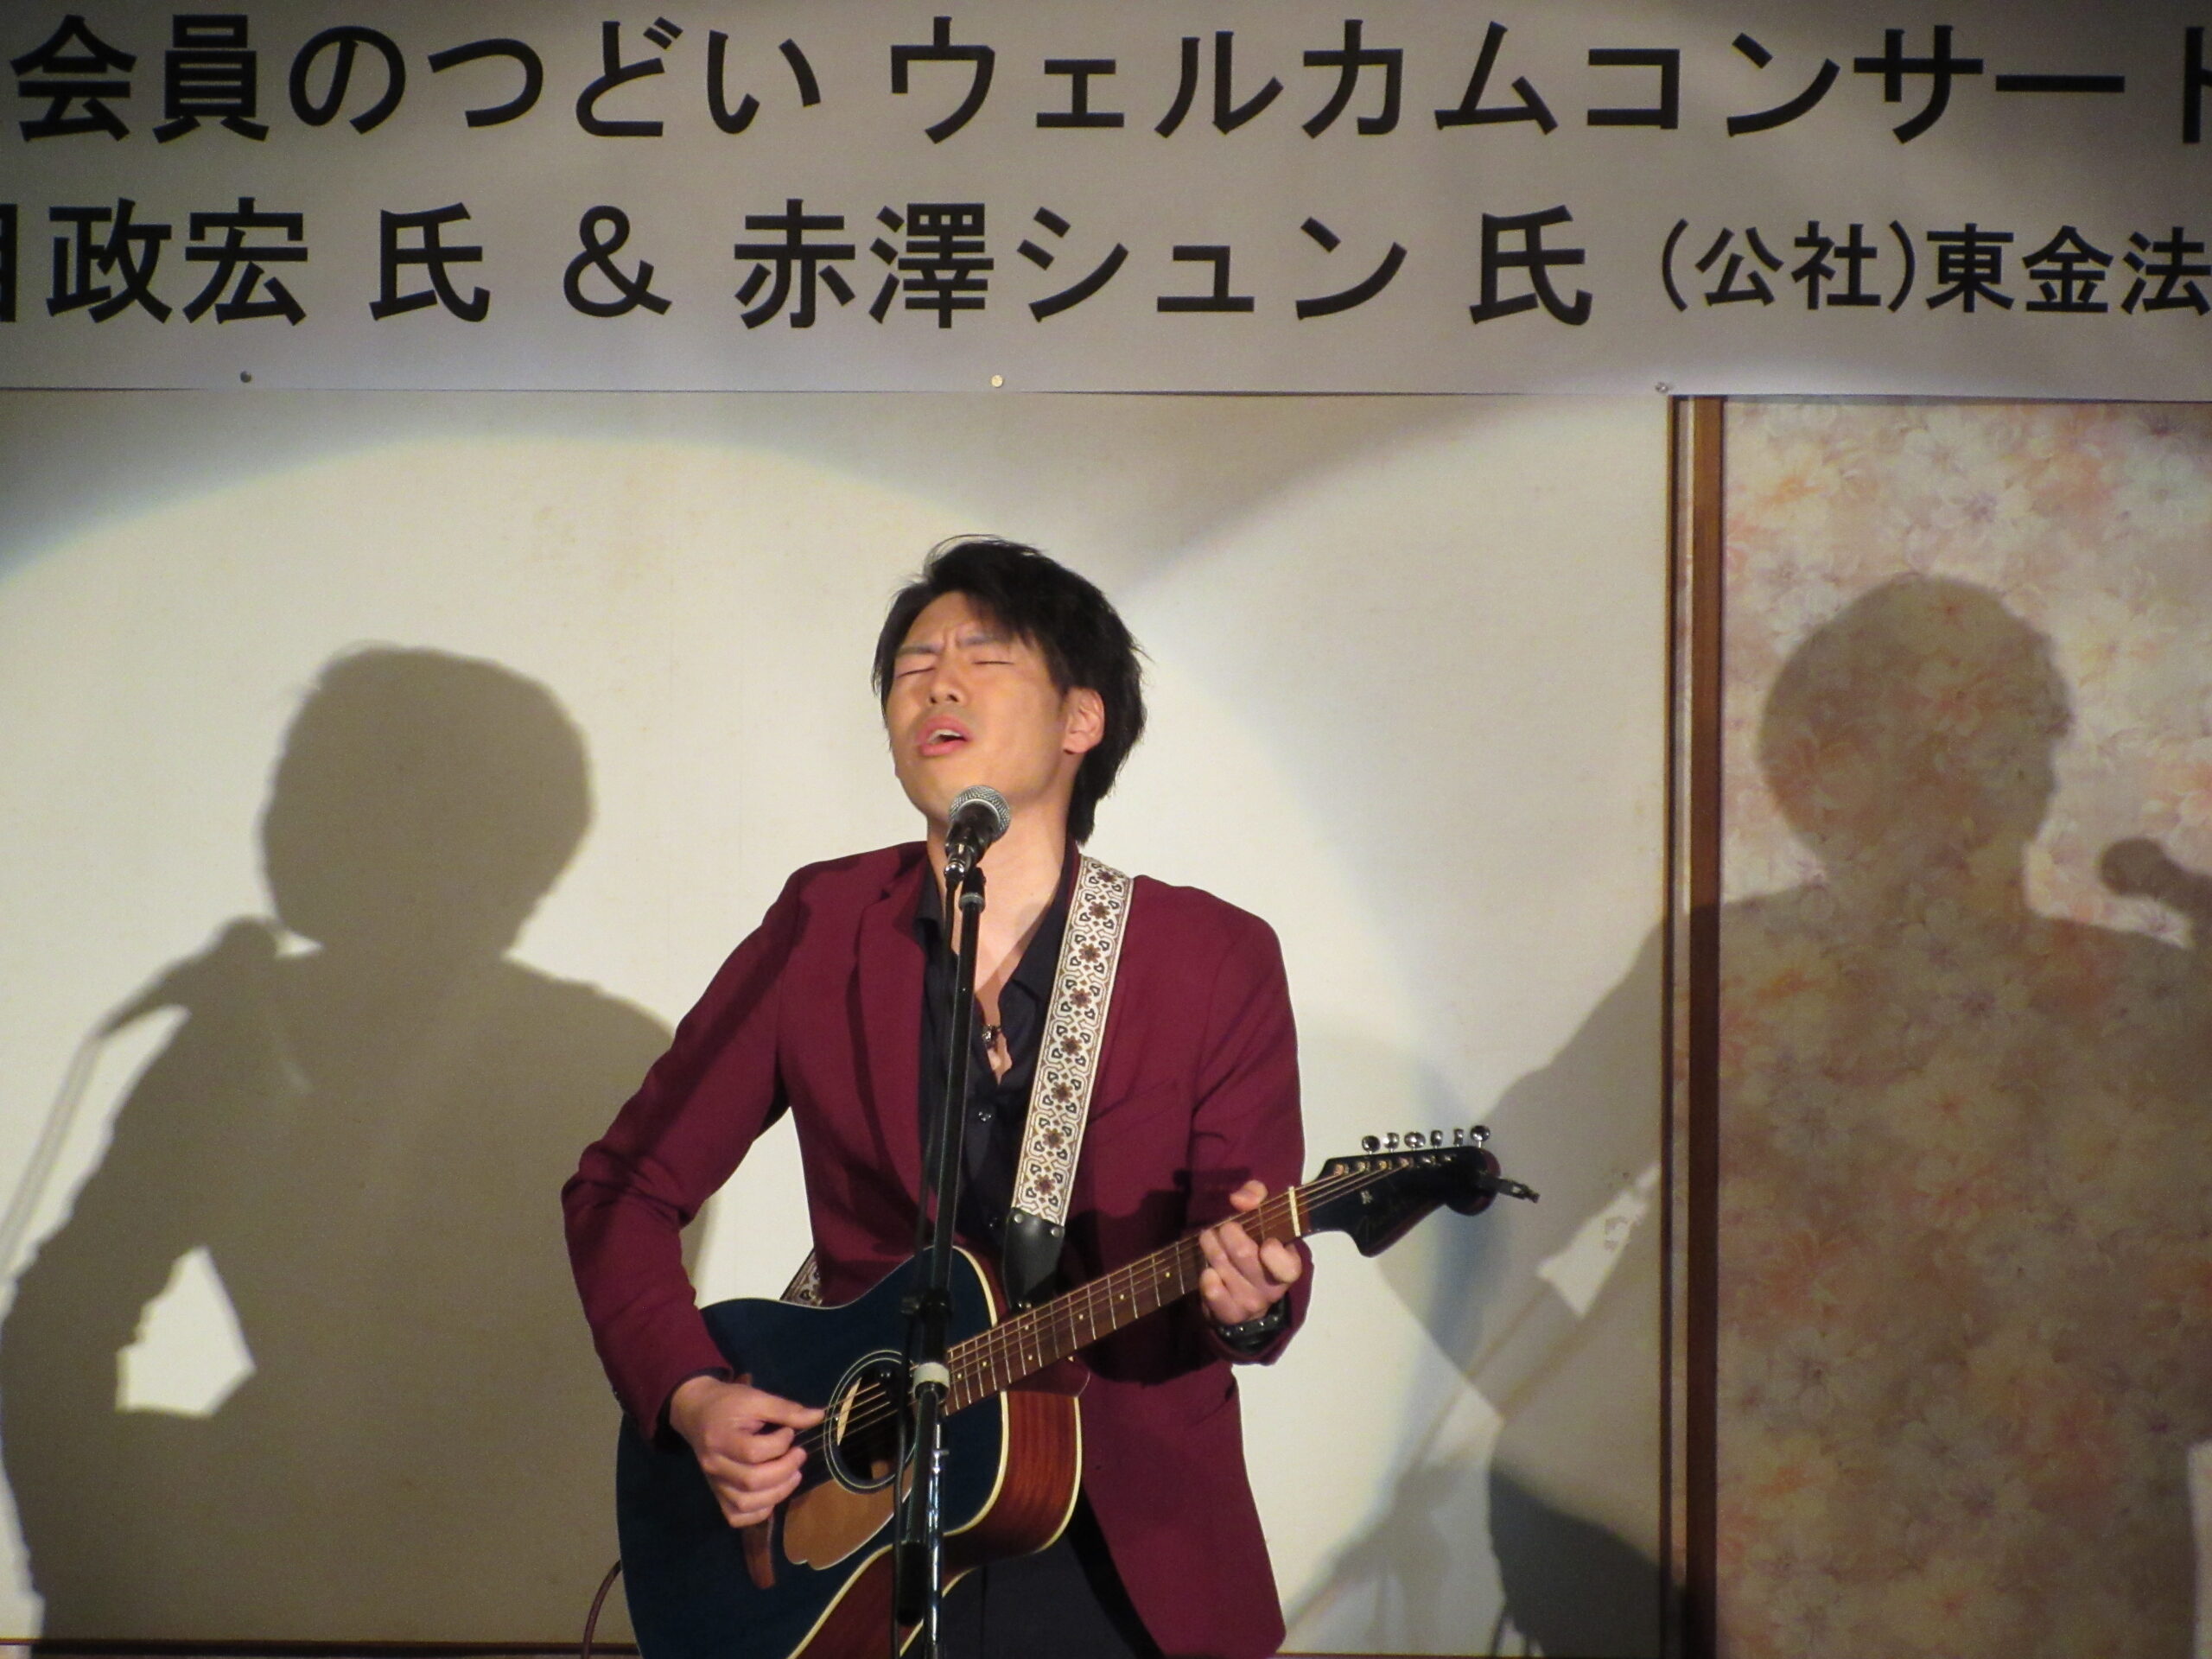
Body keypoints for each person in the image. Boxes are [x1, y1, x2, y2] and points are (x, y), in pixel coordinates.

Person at [564, 537, 1312, 1659]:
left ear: (1083, 719)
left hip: (1121, 1539)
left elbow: (1243, 1253)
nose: (939, 684)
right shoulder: (825, 926)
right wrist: (691, 1394)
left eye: (985, 657)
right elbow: (622, 1189)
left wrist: (1248, 1298)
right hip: (851, 1536)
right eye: (914, 665)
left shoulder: (1209, 957)